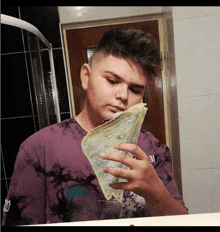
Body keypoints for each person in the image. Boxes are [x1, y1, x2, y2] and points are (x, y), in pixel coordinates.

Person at [2, 28, 188, 226]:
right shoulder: (39, 149)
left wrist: (157, 192)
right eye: (112, 80)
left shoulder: (153, 149)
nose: (123, 95)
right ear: (86, 76)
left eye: (135, 89)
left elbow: (185, 223)